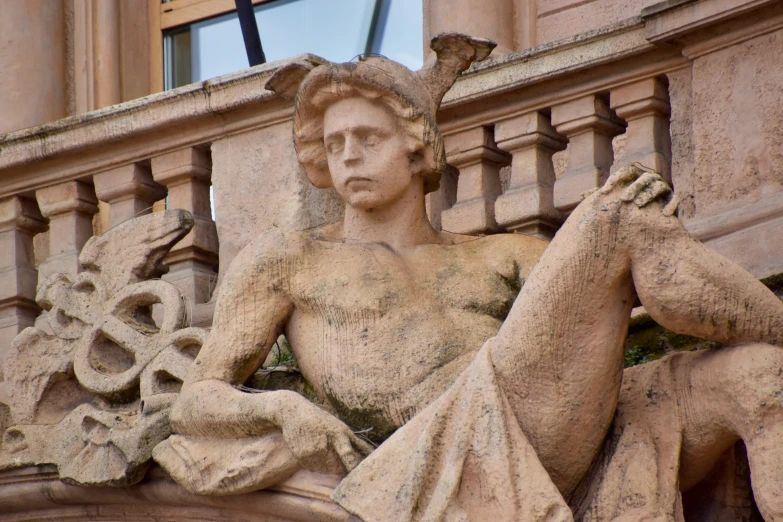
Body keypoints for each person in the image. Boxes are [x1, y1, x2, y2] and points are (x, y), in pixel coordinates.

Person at [157, 34, 783, 521]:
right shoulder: (289, 260)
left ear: (418, 146)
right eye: (334, 140)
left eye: (367, 137)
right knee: (615, 215)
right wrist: (284, 410)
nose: (347, 153)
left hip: (554, 427)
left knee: (760, 378)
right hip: (441, 449)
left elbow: (590, 334)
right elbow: (196, 399)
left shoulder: (504, 255)